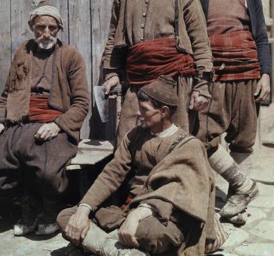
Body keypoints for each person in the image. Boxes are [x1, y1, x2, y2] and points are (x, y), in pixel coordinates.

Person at [57, 76, 217, 256]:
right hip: (128, 207)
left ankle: (98, 244)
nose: (138, 114)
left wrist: (140, 213)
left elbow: (179, 191)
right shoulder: (135, 136)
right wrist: (84, 209)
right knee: (67, 217)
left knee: (148, 234)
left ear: (163, 111)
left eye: (144, 109)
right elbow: (112, 173)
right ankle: (121, 252)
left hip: (164, 215)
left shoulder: (188, 145)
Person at [0, 3, 90, 237]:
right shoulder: (22, 52)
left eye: (52, 28)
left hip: (54, 125)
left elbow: (82, 104)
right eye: (40, 27)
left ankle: (51, 208)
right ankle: (28, 203)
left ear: (59, 28)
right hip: (19, 122)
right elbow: (7, 93)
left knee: (48, 173)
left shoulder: (71, 56)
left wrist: (57, 125)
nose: (46, 33)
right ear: (31, 27)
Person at [101, 0, 214, 147]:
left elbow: (201, 45)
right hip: (136, 85)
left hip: (173, 84)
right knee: (128, 143)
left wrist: (201, 87)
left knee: (173, 145)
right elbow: (113, 39)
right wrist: (112, 74)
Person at [191, 0, 272, 224]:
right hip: (215, 77)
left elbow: (261, 37)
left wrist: (265, 75)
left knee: (243, 139)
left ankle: (235, 198)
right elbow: (191, 36)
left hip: (248, 75)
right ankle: (242, 186)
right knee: (204, 137)